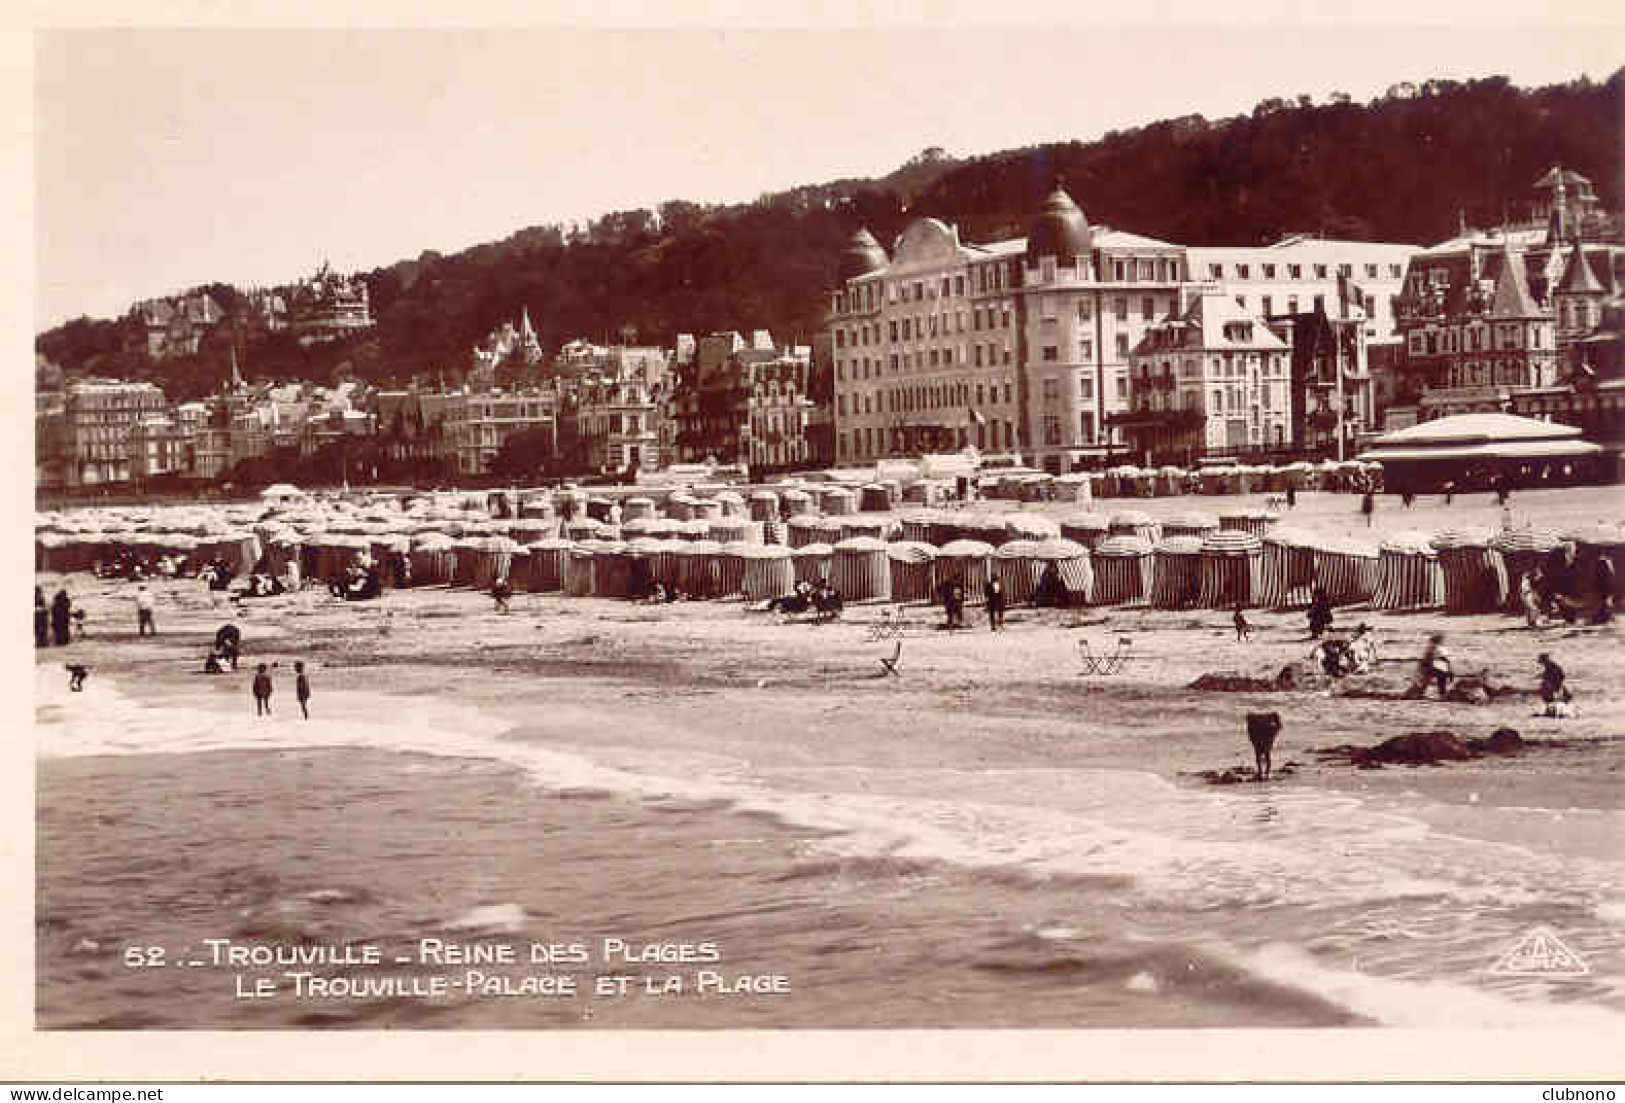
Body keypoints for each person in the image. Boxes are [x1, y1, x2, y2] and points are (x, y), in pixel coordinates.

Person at [1416, 633, 1452, 699]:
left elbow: (1425, 660)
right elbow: (1444, 659)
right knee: (1439, 680)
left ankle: (1420, 693)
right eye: (1441, 640)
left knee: (1425, 682)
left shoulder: (1432, 648)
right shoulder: (1435, 648)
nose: (1442, 641)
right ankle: (1442, 694)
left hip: (1431, 667)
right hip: (1431, 667)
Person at [1592, 554, 1616, 626]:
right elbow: (1610, 576)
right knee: (1605, 602)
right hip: (1605, 587)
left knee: (1604, 602)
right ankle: (1603, 617)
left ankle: (1604, 617)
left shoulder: (1603, 563)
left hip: (1604, 587)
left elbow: (1609, 576)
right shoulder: (1605, 563)